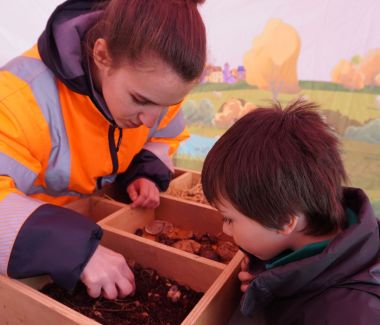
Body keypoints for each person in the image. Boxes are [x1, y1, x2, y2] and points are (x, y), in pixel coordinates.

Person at [0, 0, 206, 300]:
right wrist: (71, 249)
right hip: (25, 243)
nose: (150, 118)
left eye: (167, 104)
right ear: (102, 54)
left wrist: (145, 170)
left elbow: (164, 135)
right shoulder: (17, 97)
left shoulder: (157, 90)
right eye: (140, 99)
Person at [201, 99, 380, 324]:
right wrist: (269, 279)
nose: (224, 229)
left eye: (228, 218)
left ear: (284, 220)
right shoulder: (316, 222)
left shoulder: (347, 314)